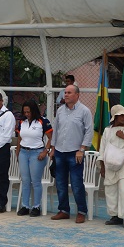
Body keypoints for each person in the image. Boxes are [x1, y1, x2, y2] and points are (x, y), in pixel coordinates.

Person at [49, 84, 94, 223]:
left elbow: (89, 131)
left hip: (75, 153)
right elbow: (55, 130)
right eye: (65, 93)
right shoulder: (61, 111)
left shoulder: (84, 111)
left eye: (69, 92)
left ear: (77, 95)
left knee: (76, 184)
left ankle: (81, 211)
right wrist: (53, 148)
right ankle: (64, 210)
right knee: (60, 183)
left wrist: (82, 149)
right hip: (60, 152)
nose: (66, 95)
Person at [15, 100, 53, 217]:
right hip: (23, 152)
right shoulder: (22, 122)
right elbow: (20, 138)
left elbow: (51, 138)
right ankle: (25, 205)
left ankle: (36, 206)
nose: (27, 114)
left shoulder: (43, 121)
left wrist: (45, 151)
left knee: (36, 181)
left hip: (37, 153)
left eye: (29, 112)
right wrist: (18, 151)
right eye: (25, 112)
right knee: (25, 180)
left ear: (34, 111)